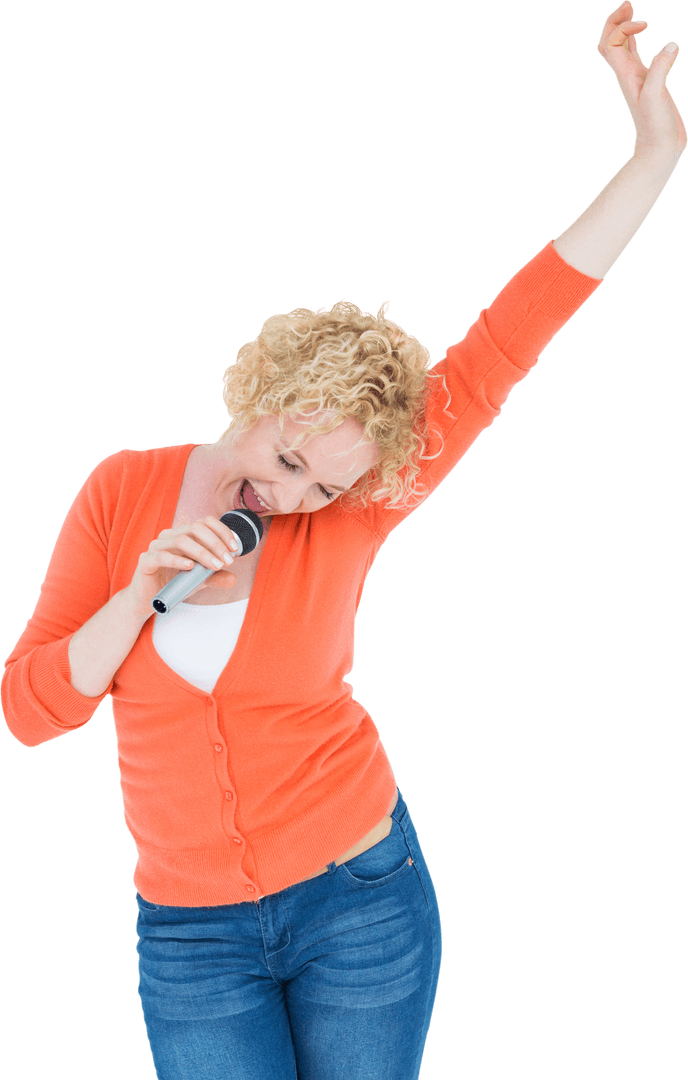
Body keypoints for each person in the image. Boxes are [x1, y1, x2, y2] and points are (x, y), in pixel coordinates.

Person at [1, 4, 685, 1078]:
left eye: (325, 487)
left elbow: (513, 333)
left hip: (361, 898)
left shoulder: (358, 501)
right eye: (286, 462)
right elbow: (31, 712)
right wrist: (137, 591)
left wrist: (652, 158)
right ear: (259, 392)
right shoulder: (122, 488)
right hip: (190, 936)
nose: (293, 500)